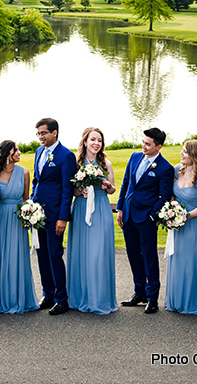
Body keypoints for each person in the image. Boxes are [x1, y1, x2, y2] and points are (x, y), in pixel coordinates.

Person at [117, 127, 174, 314]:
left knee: (149, 257)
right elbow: (126, 183)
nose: (144, 146)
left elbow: (164, 196)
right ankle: (139, 292)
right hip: (128, 214)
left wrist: (152, 215)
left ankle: (152, 298)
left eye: (148, 144)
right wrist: (120, 209)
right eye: (143, 142)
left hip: (146, 218)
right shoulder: (134, 157)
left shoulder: (165, 168)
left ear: (158, 146)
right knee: (133, 254)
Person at [67, 128, 118, 314]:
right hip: (81, 209)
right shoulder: (75, 163)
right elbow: (70, 190)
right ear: (85, 142)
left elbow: (112, 190)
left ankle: (99, 298)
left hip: (101, 209)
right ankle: (80, 297)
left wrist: (107, 185)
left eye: (100, 140)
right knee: (82, 252)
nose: (96, 143)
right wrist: (80, 191)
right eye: (93, 139)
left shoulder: (106, 163)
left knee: (98, 253)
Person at [32, 117, 77, 315]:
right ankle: (48, 293)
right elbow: (36, 180)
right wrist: (32, 205)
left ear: (54, 133)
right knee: (42, 254)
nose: (40, 137)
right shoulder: (38, 151)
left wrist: (62, 217)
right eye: (38, 133)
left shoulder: (66, 155)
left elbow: (67, 189)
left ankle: (61, 298)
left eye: (43, 133)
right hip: (37, 214)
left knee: (55, 254)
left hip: (55, 214)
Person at [0, 140, 39, 314]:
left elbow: (26, 200)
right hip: (0, 218)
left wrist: (32, 216)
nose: (18, 152)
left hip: (18, 222)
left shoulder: (24, 172)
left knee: (18, 258)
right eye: (15, 150)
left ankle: (20, 299)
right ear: (6, 153)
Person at [164, 140, 197, 315]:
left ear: (194, 155)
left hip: (195, 224)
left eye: (185, 152)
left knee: (191, 262)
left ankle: (193, 302)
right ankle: (177, 299)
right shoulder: (178, 169)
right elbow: (172, 195)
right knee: (178, 260)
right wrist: (171, 211)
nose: (181, 154)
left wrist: (186, 216)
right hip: (178, 224)